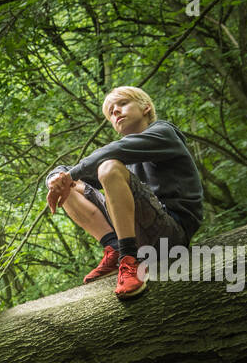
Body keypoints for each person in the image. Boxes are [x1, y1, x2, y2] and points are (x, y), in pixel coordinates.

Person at [45, 86, 204, 299]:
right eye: (111, 112)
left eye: (122, 104)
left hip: (171, 235)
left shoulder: (164, 133)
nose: (116, 112)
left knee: (106, 166)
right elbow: (75, 176)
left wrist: (71, 174)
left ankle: (129, 259)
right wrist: (56, 180)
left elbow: (110, 153)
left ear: (146, 107)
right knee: (70, 186)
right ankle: (115, 247)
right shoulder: (122, 160)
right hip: (140, 232)